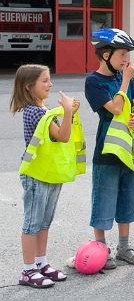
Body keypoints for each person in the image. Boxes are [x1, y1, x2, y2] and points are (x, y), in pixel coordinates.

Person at [12, 65, 79, 288]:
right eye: (44, 81)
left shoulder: (43, 110)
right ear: (29, 87)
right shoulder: (36, 112)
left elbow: (58, 132)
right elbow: (62, 135)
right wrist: (67, 111)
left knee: (44, 222)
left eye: (49, 80)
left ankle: (40, 264)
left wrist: (70, 112)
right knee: (33, 223)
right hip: (37, 175)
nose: (50, 84)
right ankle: (28, 270)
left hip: (48, 173)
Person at [84, 29, 134, 268]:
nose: (126, 59)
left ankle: (124, 246)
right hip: (107, 150)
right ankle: (100, 248)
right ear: (106, 54)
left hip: (127, 148)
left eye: (126, 54)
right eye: (122, 54)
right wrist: (126, 80)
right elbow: (116, 108)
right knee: (104, 198)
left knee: (128, 197)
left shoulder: (124, 75)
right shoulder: (94, 81)